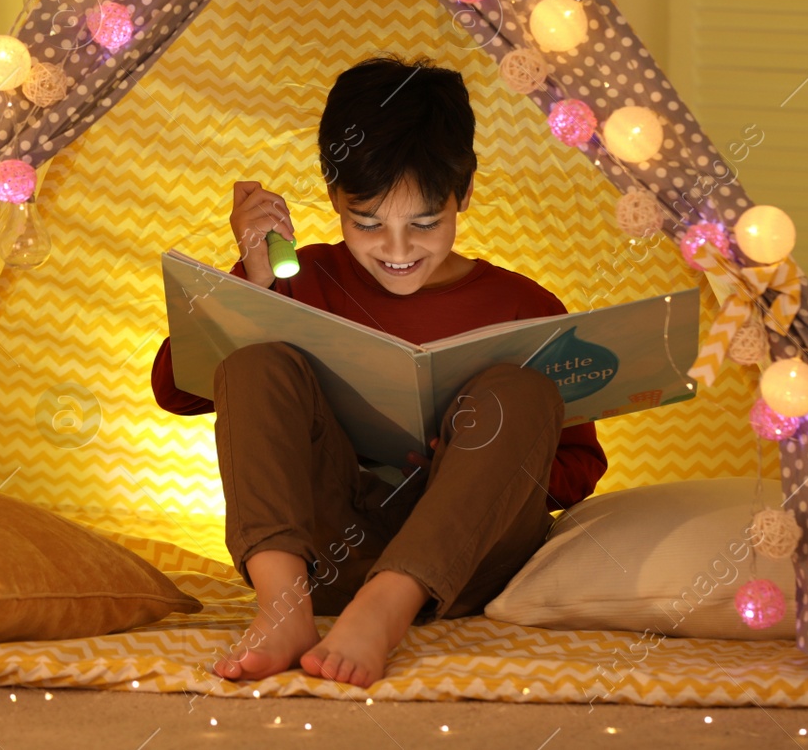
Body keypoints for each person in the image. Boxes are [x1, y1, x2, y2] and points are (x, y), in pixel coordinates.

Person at [149, 53, 608, 688]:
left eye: (426, 224)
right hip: (329, 552)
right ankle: (282, 608)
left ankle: (385, 609)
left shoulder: (523, 306)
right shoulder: (294, 278)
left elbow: (578, 469)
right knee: (254, 361)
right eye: (367, 224)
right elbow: (177, 391)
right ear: (334, 196)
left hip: (461, 568)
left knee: (519, 391)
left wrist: (466, 462)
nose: (397, 251)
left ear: (464, 194)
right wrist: (252, 283)